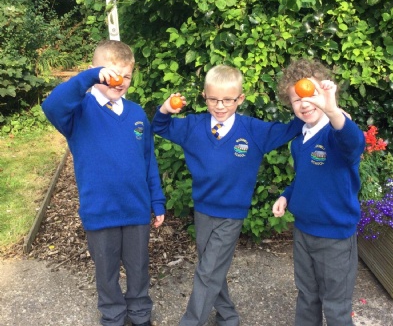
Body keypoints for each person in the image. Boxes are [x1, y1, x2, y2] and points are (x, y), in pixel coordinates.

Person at [152, 64, 304, 326]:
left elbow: (292, 128)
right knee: (211, 268)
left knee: (208, 271)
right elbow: (160, 127)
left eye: (227, 100)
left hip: (231, 215)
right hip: (203, 211)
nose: (220, 106)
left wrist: (309, 101)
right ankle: (228, 316)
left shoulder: (253, 131)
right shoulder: (193, 126)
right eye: (213, 99)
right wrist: (165, 109)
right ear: (204, 96)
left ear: (240, 99)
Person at [42, 40, 165, 326]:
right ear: (94, 71)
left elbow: (148, 160)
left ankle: (139, 313)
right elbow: (51, 105)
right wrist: (89, 78)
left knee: (138, 268)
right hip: (100, 210)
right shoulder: (77, 112)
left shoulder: (136, 114)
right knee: (106, 272)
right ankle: (112, 316)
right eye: (111, 74)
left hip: (136, 209)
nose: (119, 82)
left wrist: (157, 200)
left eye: (126, 76)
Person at [272, 59, 365, 326]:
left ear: (323, 96)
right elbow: (305, 179)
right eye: (296, 99)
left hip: (335, 237)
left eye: (311, 95)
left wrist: (333, 110)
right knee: (307, 296)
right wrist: (286, 195)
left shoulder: (335, 134)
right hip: (303, 232)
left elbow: (354, 143)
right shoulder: (299, 141)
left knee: (336, 307)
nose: (304, 103)